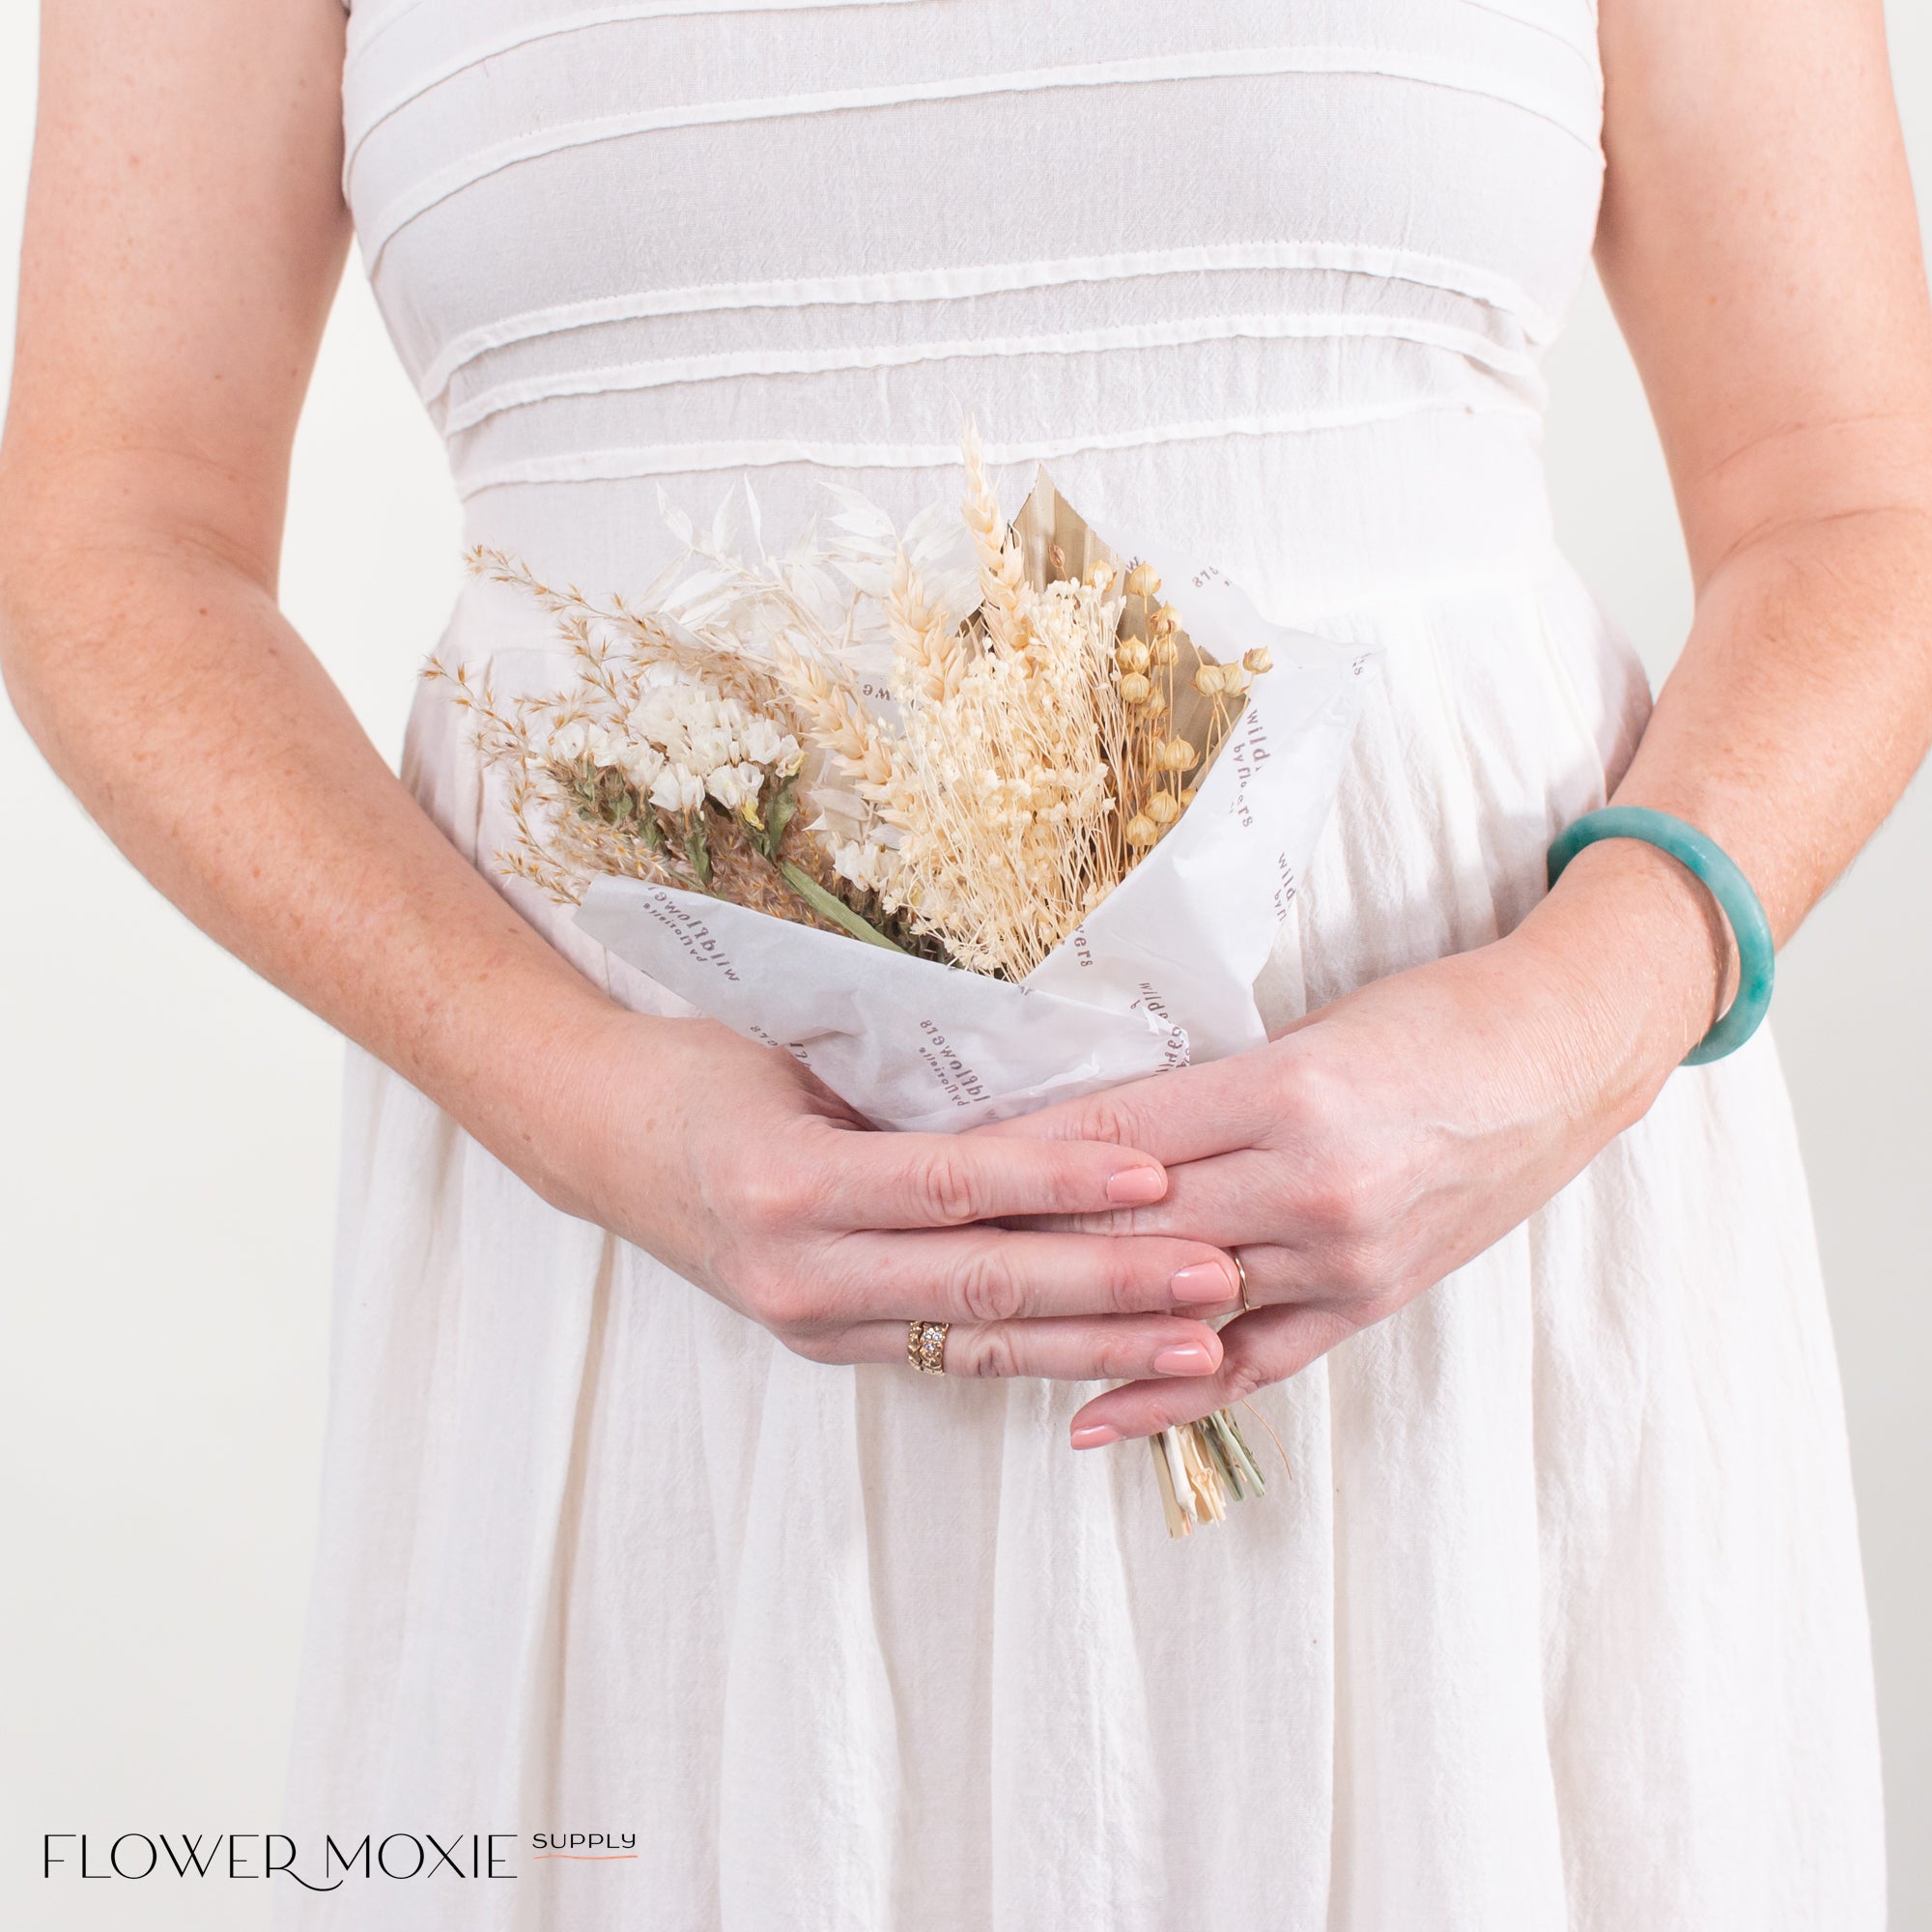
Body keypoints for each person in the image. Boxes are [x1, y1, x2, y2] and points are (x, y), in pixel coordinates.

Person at [3, 0, 1923, 1924]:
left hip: (1464, 1277)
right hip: (650, 1298)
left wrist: (1552, 1030)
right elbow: (112, 529)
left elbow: (1855, 506)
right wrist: (559, 1090)